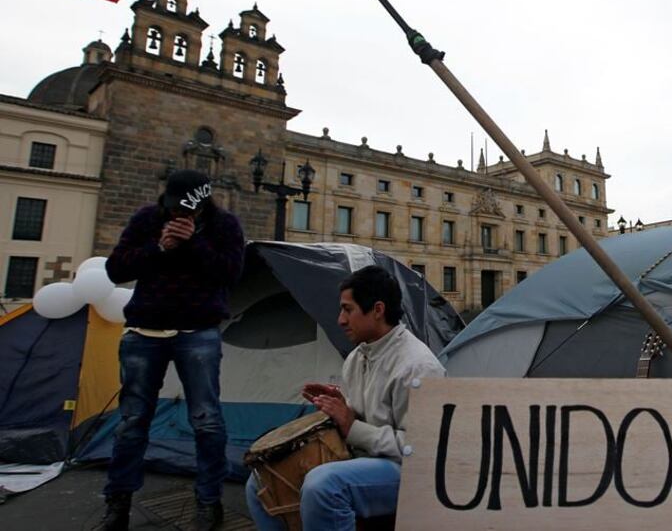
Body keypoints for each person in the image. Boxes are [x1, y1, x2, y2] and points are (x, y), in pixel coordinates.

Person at [98, 170, 245, 531]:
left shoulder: (224, 225)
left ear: (202, 204)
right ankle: (117, 507)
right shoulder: (147, 219)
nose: (180, 215)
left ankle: (209, 503)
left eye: (187, 210)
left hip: (198, 332)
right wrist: (158, 248)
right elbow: (115, 269)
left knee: (206, 419)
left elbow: (231, 273)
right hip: (144, 331)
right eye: (175, 208)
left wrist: (193, 243)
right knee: (132, 422)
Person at [246, 265, 445, 530]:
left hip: (410, 473)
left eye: (347, 309)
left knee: (323, 485)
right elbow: (364, 413)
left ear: (377, 310)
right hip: (361, 460)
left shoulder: (418, 366)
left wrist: (352, 426)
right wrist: (340, 404)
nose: (340, 320)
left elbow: (423, 451)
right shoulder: (357, 357)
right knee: (260, 479)